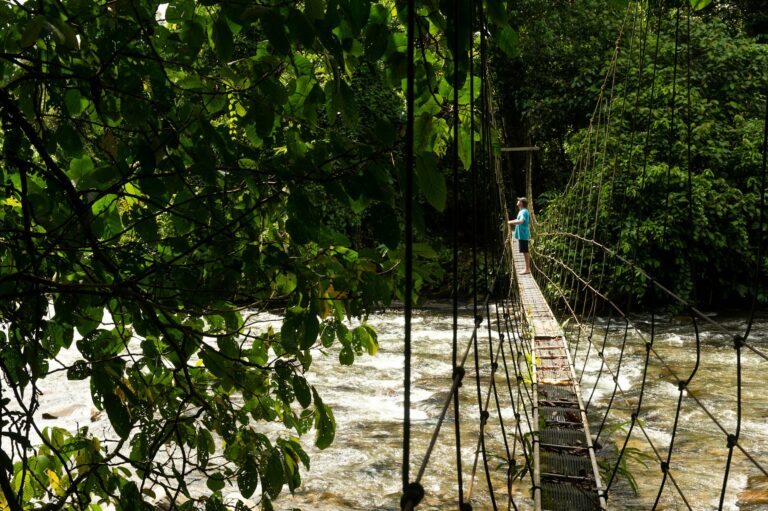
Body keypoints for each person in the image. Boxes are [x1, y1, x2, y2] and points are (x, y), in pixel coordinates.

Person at [508, 197, 531, 274]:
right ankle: (526, 268)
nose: (517, 201)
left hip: (523, 234)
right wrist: (509, 222)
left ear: (521, 203)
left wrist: (510, 223)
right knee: (524, 251)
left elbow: (521, 221)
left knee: (525, 251)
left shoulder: (524, 211)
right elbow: (517, 220)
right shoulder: (522, 211)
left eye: (519, 200)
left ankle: (527, 269)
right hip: (522, 234)